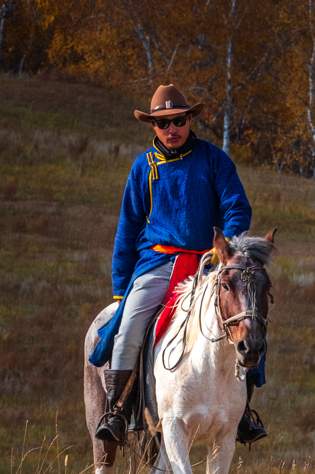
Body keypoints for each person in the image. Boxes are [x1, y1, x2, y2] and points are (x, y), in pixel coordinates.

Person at [88, 84, 267, 446]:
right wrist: (121, 287)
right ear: (153, 126)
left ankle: (243, 410)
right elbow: (127, 228)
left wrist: (225, 251)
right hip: (157, 262)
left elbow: (237, 205)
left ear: (190, 120)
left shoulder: (215, 160)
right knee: (130, 324)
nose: (173, 129)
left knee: (248, 320)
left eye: (179, 120)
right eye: (164, 122)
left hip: (209, 264)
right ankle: (118, 410)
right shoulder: (143, 168)